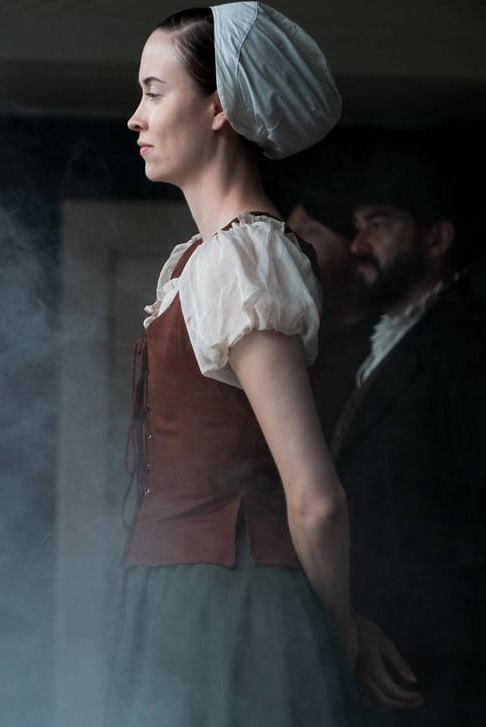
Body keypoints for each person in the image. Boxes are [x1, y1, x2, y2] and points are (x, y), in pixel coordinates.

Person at [108, 5, 419, 725]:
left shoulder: (246, 258)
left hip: (232, 600)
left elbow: (314, 494)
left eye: (154, 92)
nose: (135, 116)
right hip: (180, 590)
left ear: (219, 107)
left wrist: (334, 636)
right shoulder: (199, 260)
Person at [333, 146, 486, 725]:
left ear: (436, 238)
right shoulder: (379, 337)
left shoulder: (468, 344)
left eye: (378, 224)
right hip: (391, 644)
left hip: (443, 655)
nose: (357, 244)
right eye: (356, 226)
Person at [270, 144, 380, 439]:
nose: (291, 245)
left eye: (311, 232)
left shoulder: (375, 350)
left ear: (356, 246)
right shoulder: (290, 340)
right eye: (289, 232)